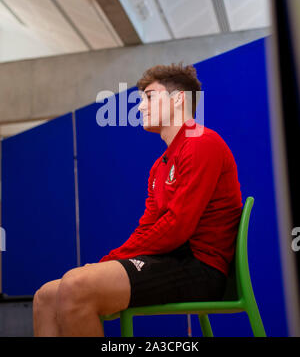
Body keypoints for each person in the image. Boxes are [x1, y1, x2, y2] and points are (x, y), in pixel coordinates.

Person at [32, 63, 242, 337]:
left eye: (150, 97)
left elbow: (177, 227)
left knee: (75, 286)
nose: (140, 107)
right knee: (44, 296)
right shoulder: (159, 167)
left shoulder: (202, 142)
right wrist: (108, 262)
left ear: (178, 99)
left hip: (200, 267)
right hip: (170, 261)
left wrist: (109, 262)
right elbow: (147, 229)